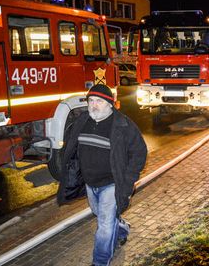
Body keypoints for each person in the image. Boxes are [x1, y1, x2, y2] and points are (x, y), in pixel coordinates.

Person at [57, 84, 147, 266]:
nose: (94, 105)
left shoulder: (123, 125)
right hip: (91, 183)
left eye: (99, 101)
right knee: (101, 215)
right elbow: (72, 149)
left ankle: (100, 262)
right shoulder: (82, 121)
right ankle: (122, 229)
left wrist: (128, 180)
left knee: (104, 226)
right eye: (91, 101)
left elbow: (139, 152)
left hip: (112, 183)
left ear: (110, 104)